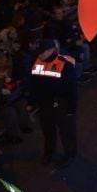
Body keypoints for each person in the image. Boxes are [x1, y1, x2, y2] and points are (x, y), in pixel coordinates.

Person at [28, 38, 78, 169]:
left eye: (42, 52)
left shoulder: (64, 64)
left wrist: (71, 109)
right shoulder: (37, 61)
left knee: (66, 132)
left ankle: (70, 154)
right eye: (38, 52)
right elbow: (34, 84)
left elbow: (71, 89)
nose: (39, 55)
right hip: (44, 104)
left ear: (51, 50)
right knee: (48, 131)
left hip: (61, 104)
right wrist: (32, 101)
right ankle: (49, 152)